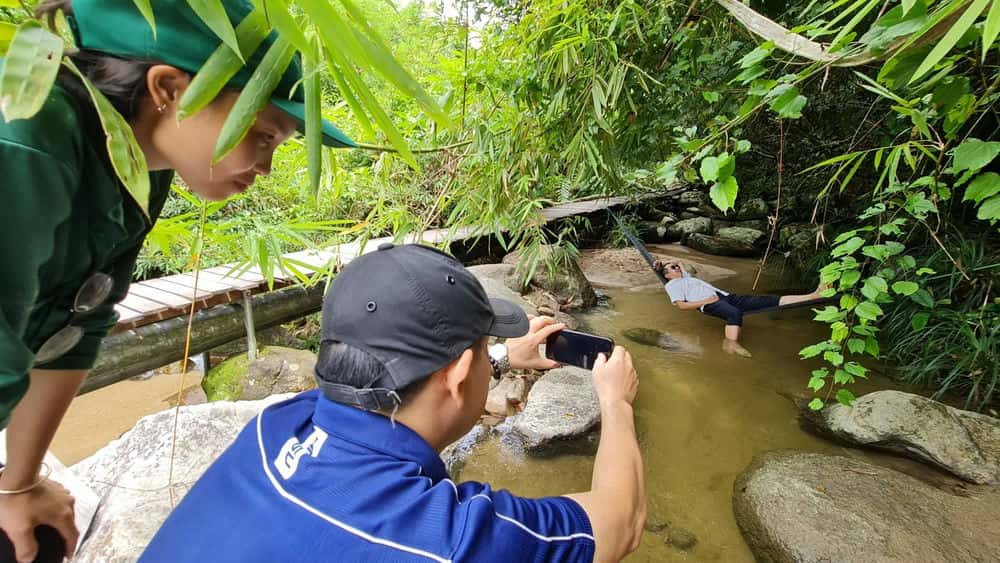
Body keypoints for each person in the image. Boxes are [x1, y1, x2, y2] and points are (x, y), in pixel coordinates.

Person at [0, 1, 355, 560]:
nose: (265, 167)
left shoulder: (141, 167)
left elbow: (81, 321)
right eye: (263, 135)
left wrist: (18, 483)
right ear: (169, 88)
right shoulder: (24, 139)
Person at [142, 243, 646, 562]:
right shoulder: (444, 539)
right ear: (459, 374)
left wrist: (496, 355)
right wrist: (616, 402)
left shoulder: (276, 426)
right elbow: (619, 523)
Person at [653, 259, 824, 357]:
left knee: (768, 301)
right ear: (668, 275)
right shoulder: (672, 285)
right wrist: (706, 301)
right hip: (708, 303)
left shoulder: (686, 277)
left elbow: (680, 262)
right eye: (672, 268)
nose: (677, 268)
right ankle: (730, 344)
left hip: (727, 296)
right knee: (734, 314)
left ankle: (813, 296)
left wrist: (667, 263)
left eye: (675, 267)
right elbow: (681, 306)